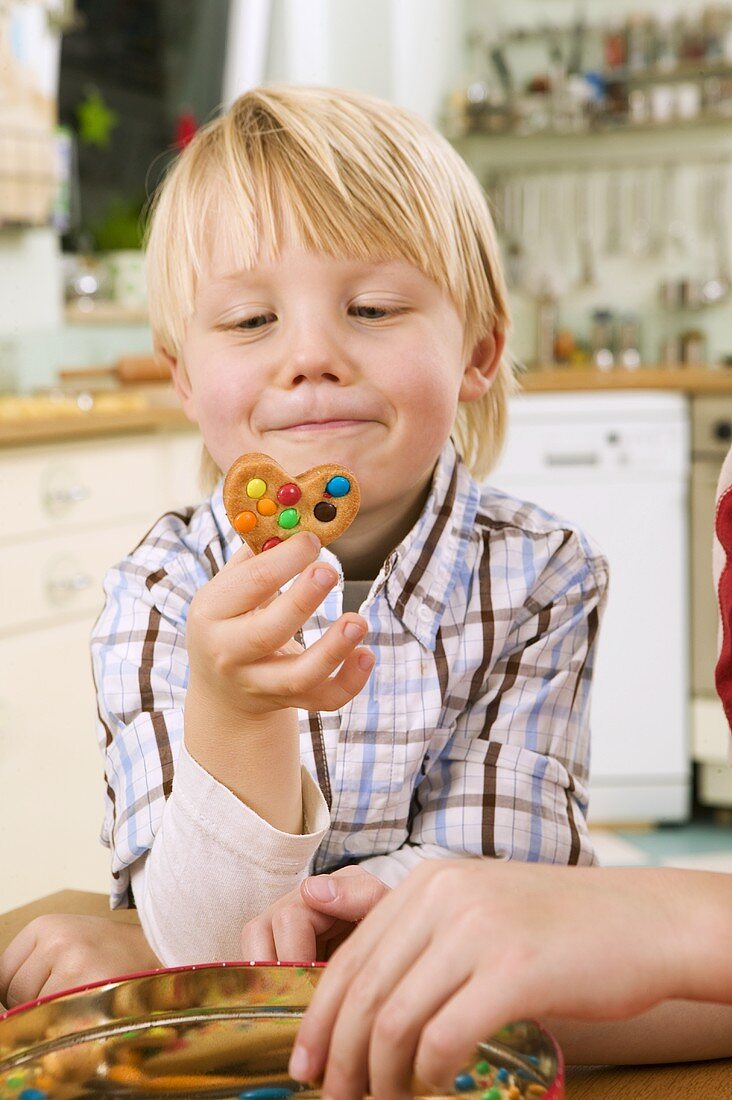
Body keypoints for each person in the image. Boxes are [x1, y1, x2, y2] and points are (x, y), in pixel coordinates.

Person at [0, 82, 608, 988]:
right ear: (185, 380)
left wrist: (221, 947)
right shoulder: (161, 592)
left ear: (476, 352)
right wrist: (236, 708)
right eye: (251, 321)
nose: (310, 356)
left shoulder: (541, 577)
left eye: (372, 309)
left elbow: (501, 897)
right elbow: (195, 932)